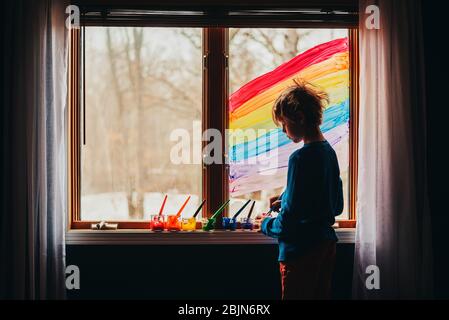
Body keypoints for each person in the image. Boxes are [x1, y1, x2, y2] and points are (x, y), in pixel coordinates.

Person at [260, 79, 344, 300]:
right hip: (326, 246)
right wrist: (286, 198)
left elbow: (288, 223)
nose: (284, 131)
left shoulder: (300, 158)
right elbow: (336, 205)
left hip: (301, 252)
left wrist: (266, 223)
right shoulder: (328, 153)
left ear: (299, 118)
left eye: (284, 124)